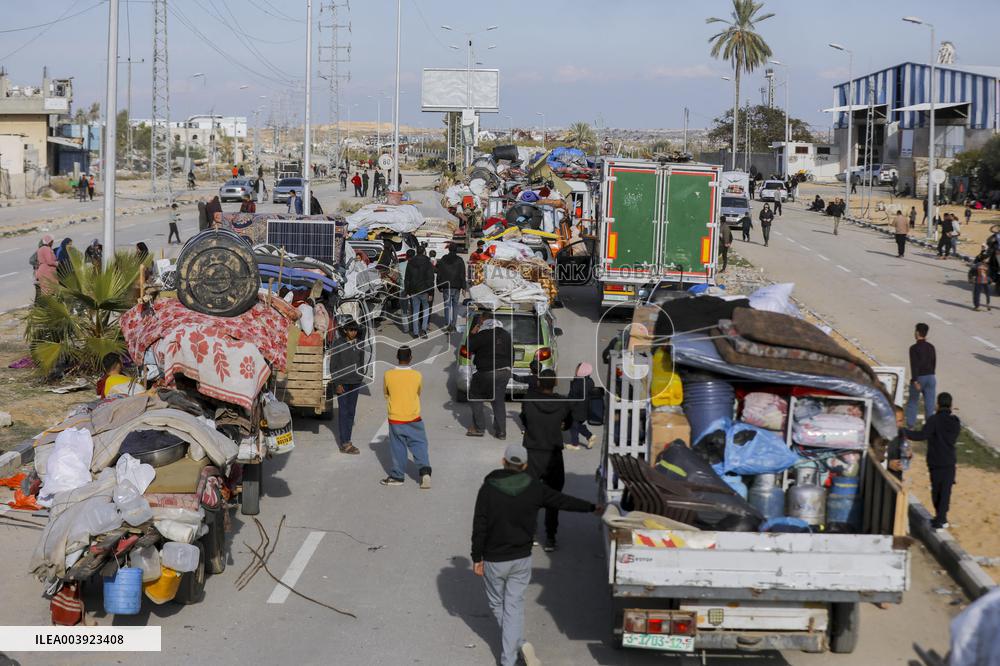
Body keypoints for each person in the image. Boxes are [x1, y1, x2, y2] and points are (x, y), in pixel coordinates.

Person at [471, 442, 599, 666]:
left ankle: (513, 653)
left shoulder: (488, 488)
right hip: (521, 558)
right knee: (514, 606)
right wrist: (591, 507)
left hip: (494, 558)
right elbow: (562, 501)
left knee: (497, 605)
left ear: (503, 462)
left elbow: (479, 525)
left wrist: (476, 557)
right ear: (525, 465)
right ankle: (515, 649)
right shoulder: (534, 488)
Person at [521, 370, 574, 552]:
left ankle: (531, 535)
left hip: (532, 453)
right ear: (556, 382)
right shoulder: (562, 403)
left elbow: (524, 420)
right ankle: (550, 537)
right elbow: (568, 424)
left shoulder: (529, 400)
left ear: (538, 383)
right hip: (553, 454)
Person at [905, 392, 959, 530]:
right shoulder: (955, 422)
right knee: (946, 491)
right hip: (949, 462)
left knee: (936, 491)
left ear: (937, 404)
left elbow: (922, 435)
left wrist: (903, 432)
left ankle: (940, 519)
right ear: (951, 405)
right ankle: (942, 518)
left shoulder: (934, 420)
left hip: (936, 462)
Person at [380, 346, 431, 488]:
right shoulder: (417, 375)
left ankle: (397, 476)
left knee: (398, 446)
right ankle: (425, 472)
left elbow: (386, 393)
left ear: (397, 357)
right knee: (419, 444)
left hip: (396, 417)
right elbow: (418, 392)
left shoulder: (388, 375)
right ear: (410, 358)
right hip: (414, 416)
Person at [466, 318, 513, 439]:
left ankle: (478, 428)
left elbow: (468, 349)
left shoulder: (483, 334)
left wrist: (472, 334)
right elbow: (512, 356)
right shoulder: (507, 335)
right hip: (505, 372)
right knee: (498, 401)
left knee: (475, 396)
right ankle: (501, 432)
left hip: (486, 372)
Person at [330, 321, 364, 455]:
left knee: (351, 412)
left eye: (355, 330)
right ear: (345, 331)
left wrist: (360, 377)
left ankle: (347, 439)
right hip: (343, 384)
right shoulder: (338, 344)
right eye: (350, 330)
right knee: (344, 413)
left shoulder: (359, 343)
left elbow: (361, 362)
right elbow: (333, 366)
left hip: (355, 383)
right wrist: (337, 383)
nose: (353, 332)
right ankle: (345, 443)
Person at [906, 322, 936, 429]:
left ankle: (910, 426)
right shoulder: (931, 347)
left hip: (920, 377)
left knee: (913, 402)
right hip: (931, 377)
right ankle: (930, 427)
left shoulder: (913, 348)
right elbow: (933, 362)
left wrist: (915, 380)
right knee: (930, 404)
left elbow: (914, 365)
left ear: (917, 333)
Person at [404, 246, 434, 338]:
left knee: (415, 311)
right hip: (425, 290)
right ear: (424, 252)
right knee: (425, 310)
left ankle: (416, 332)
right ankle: (423, 330)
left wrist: (407, 291)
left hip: (413, 290)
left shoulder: (410, 262)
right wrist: (431, 292)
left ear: (417, 252)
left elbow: (407, 279)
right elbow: (430, 278)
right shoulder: (428, 263)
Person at [435, 243, 467, 332]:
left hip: (446, 286)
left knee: (447, 305)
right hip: (457, 286)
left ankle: (447, 324)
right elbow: (462, 274)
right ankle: (453, 325)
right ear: (456, 250)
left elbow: (439, 273)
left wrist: (439, 285)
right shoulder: (459, 260)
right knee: (455, 305)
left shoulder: (443, 259)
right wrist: (464, 287)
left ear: (448, 249)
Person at [566, 363, 596, 450]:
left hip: (576, 409)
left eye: (577, 369)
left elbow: (572, 397)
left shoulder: (577, 382)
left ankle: (575, 445)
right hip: (586, 409)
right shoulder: (590, 381)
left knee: (573, 425)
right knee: (577, 425)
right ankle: (590, 436)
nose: (575, 370)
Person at [886, 406, 911, 481]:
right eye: (896, 421)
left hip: (896, 478)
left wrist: (908, 454)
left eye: (901, 421)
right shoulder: (880, 434)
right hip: (880, 480)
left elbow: (903, 451)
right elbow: (871, 456)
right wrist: (888, 464)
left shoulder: (901, 433)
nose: (899, 424)